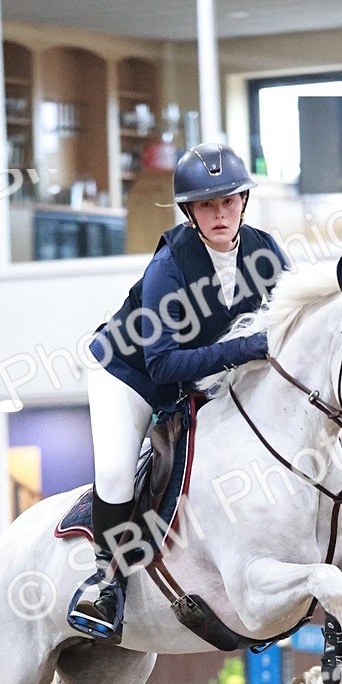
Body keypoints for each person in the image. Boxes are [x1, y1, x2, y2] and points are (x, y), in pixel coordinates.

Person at [67, 142, 288, 640]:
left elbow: (289, 327)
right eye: (207, 205)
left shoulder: (266, 252)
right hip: (130, 374)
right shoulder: (170, 264)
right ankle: (106, 581)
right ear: (190, 210)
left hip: (200, 378)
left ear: (243, 203)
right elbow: (163, 363)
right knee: (118, 471)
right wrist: (247, 348)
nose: (220, 214)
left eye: (229, 202)